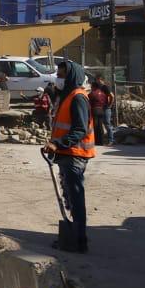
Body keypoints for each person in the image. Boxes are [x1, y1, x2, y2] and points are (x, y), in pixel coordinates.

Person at [45, 60, 95, 253]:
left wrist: (58, 143)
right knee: (69, 196)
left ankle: (79, 241)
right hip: (66, 153)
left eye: (61, 75)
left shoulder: (78, 98)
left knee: (76, 198)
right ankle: (74, 235)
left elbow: (80, 130)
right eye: (57, 75)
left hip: (75, 154)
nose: (58, 79)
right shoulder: (67, 96)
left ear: (71, 76)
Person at [89, 76, 111, 146]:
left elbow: (89, 102)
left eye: (91, 87)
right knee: (100, 126)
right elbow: (107, 100)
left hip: (95, 110)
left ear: (93, 87)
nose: (91, 88)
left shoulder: (92, 93)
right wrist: (108, 105)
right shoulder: (103, 94)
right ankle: (101, 141)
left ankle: (96, 141)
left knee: (95, 126)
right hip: (101, 110)